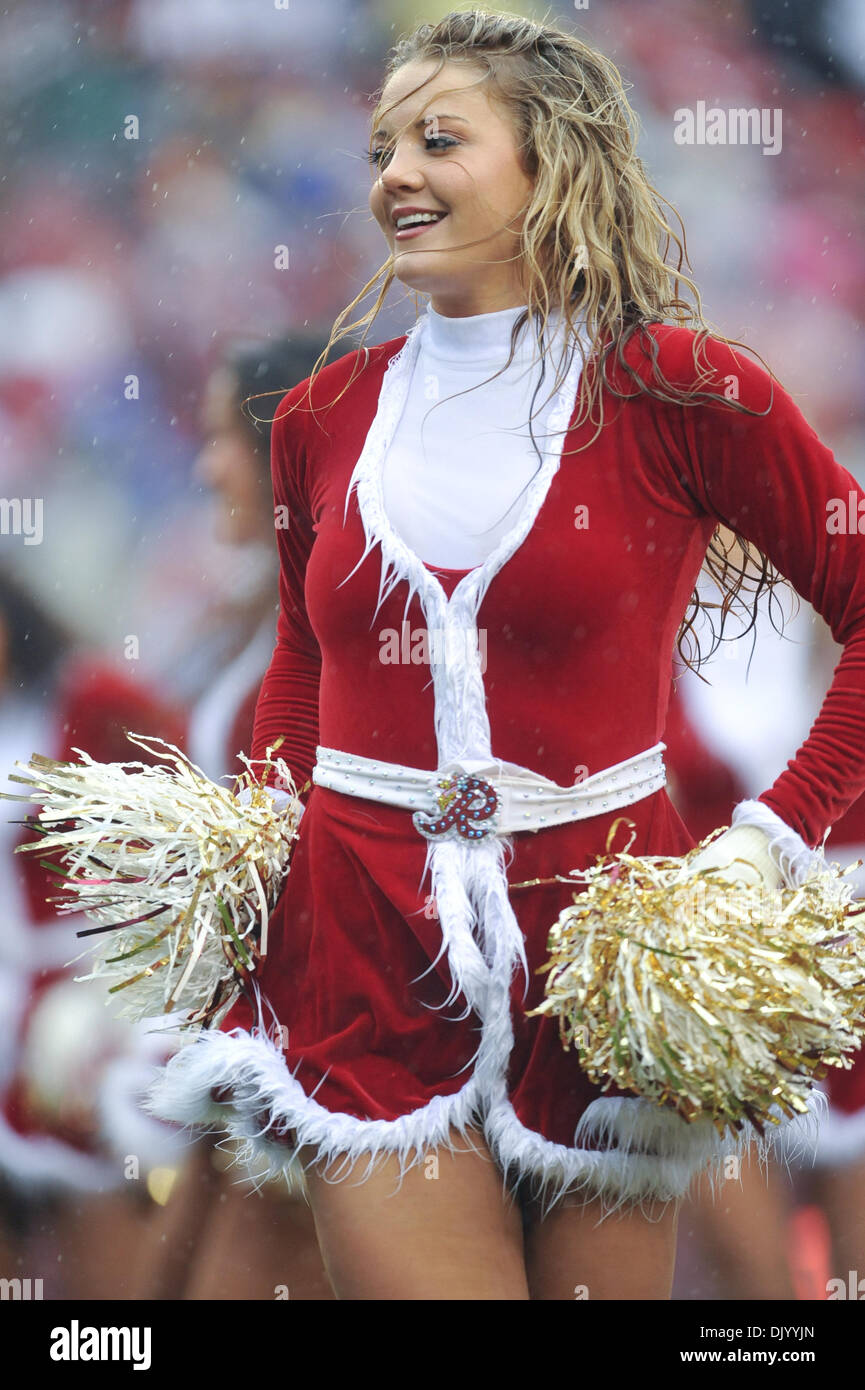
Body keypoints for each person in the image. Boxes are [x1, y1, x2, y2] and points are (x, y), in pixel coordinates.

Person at [148, 10, 865, 1300]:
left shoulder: (684, 389)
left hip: (612, 958)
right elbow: (307, 667)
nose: (392, 178)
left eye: (437, 141)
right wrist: (254, 847)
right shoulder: (320, 413)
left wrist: (765, 848)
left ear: (554, 164)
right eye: (380, 148)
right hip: (363, 945)